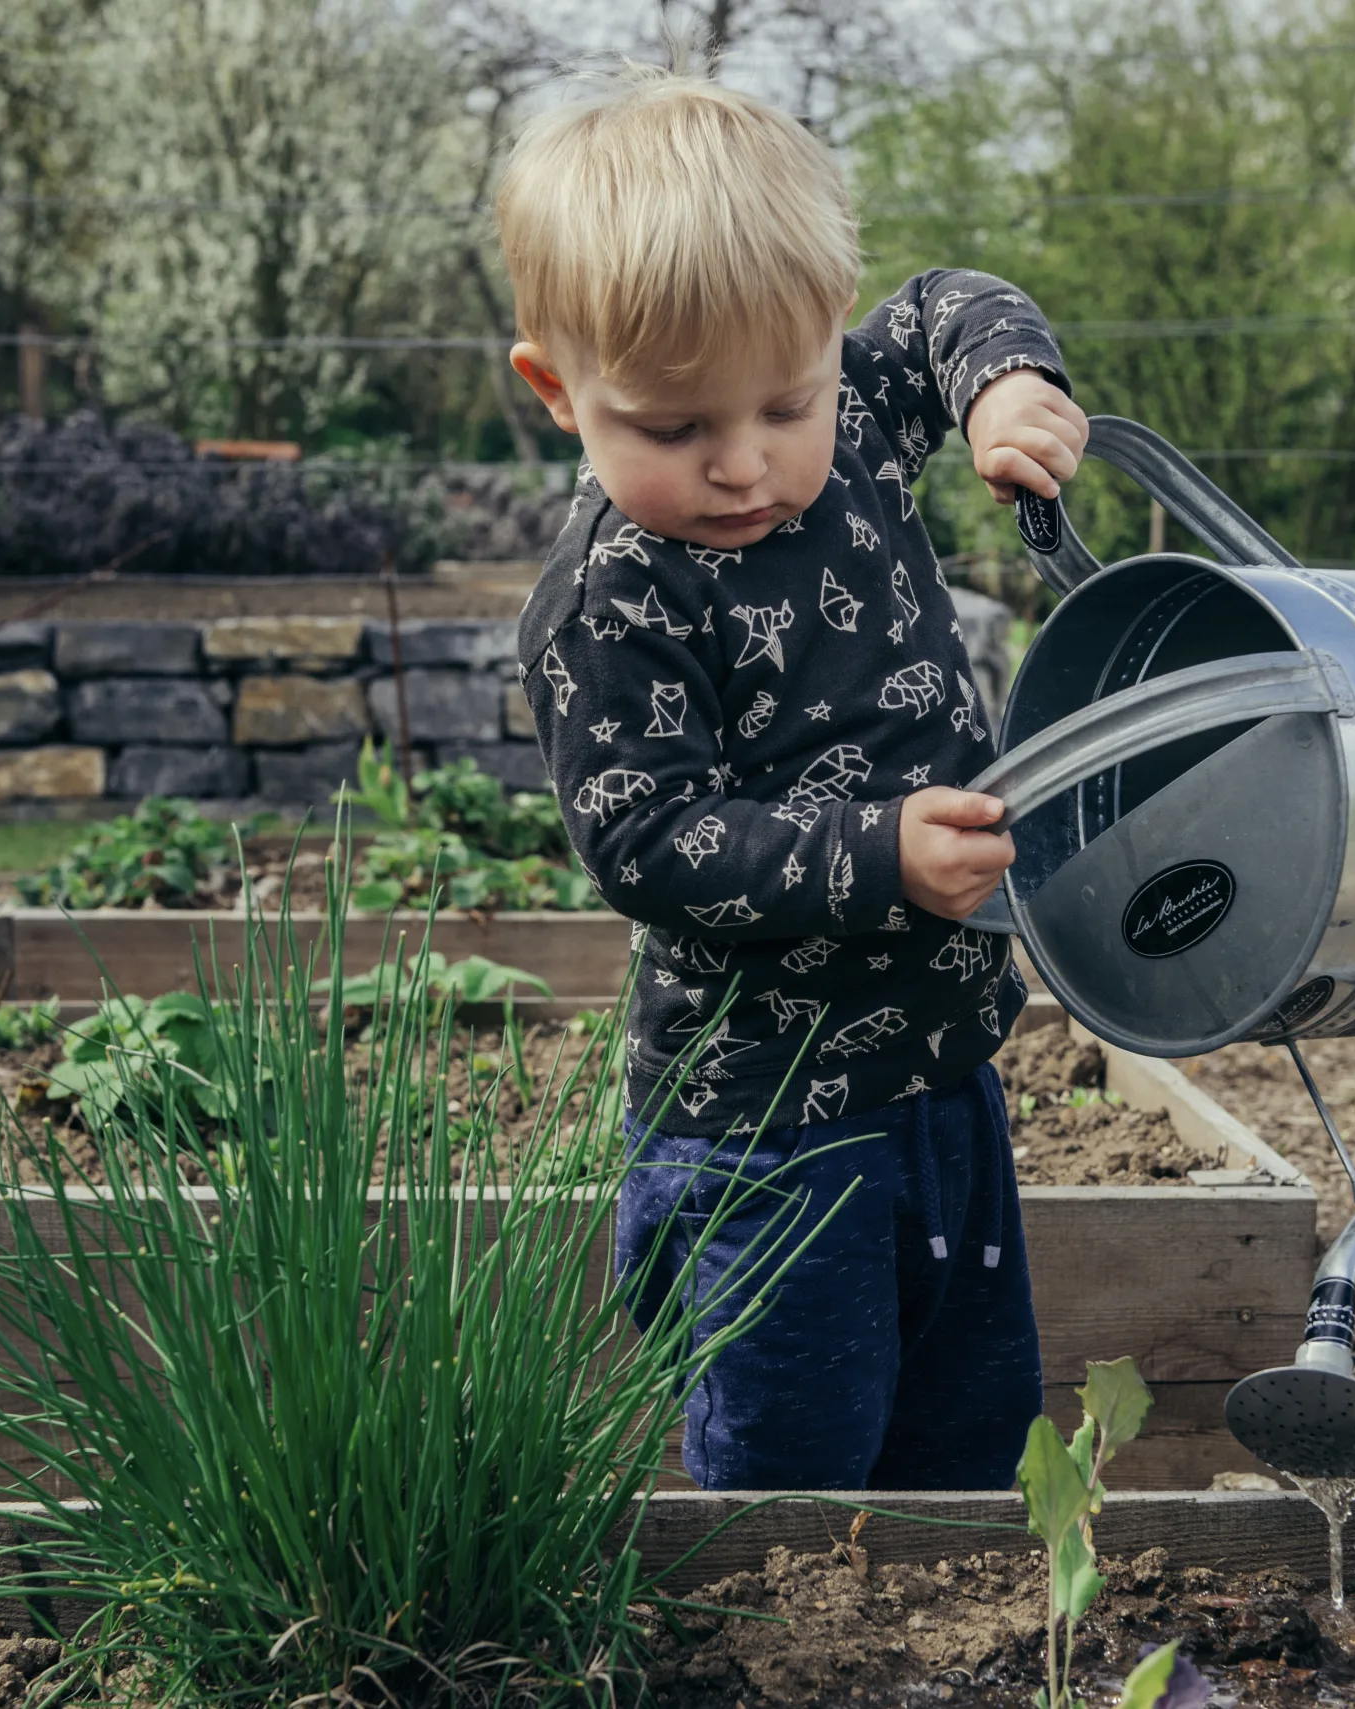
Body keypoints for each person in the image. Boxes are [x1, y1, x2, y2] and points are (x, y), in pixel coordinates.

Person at [500, 65, 1089, 1490]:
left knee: (969, 1436)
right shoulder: (611, 601)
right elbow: (648, 839)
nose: (745, 464)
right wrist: (877, 854)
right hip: (766, 1133)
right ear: (555, 390)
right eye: (671, 427)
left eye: (786, 401)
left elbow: (951, 300)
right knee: (794, 1476)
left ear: (830, 342)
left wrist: (1007, 385)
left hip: (946, 1078)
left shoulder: (865, 420)